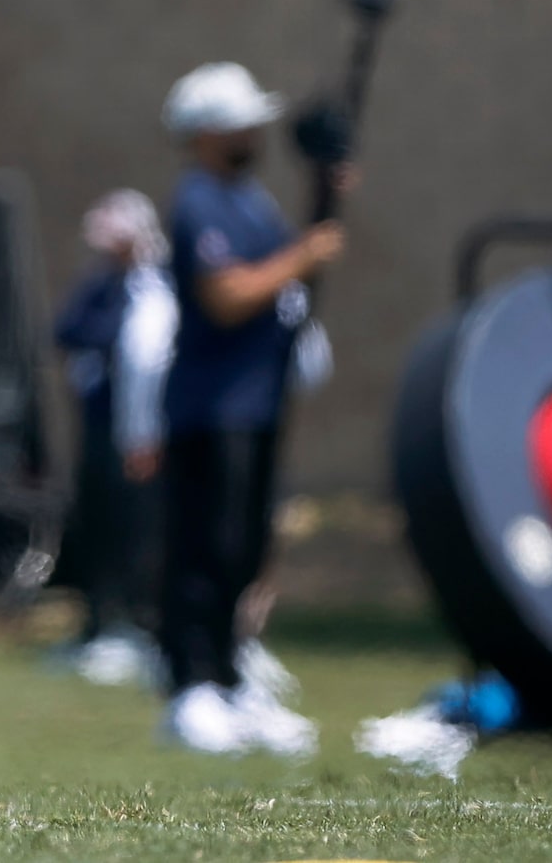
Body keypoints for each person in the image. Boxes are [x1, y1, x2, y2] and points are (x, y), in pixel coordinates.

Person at [156, 62, 343, 758]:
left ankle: (231, 680)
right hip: (211, 408)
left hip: (257, 403)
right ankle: (190, 689)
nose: (255, 131)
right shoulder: (198, 200)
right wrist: (304, 257)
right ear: (206, 133)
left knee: (243, 552)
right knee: (203, 551)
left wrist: (326, 197)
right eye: (241, 121)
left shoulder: (250, 201)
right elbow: (226, 295)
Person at [50, 188, 175, 688]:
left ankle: (142, 624)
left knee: (142, 527)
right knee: (97, 524)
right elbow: (67, 330)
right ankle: (100, 623)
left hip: (146, 436)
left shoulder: (156, 285)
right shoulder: (102, 286)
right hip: (101, 431)